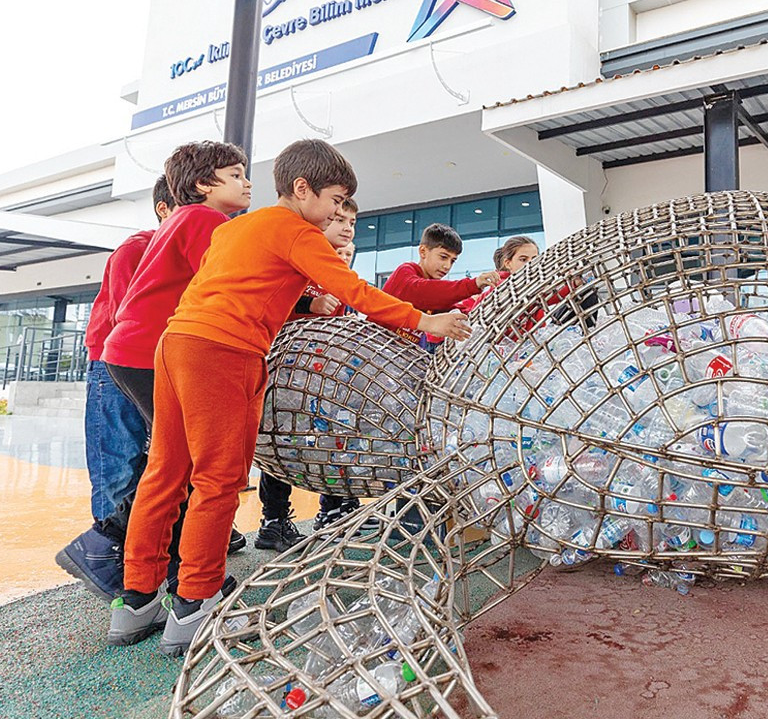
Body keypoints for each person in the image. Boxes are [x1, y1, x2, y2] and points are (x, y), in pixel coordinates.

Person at [107, 139, 470, 657]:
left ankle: (136, 598)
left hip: (175, 342)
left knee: (165, 471)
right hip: (223, 352)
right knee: (218, 479)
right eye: (336, 200)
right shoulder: (297, 230)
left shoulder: (236, 228)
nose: (338, 213)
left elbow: (240, 286)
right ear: (303, 190)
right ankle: (195, 601)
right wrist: (423, 319)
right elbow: (353, 290)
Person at [56, 141, 252, 603]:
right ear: (198, 188)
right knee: (152, 464)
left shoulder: (178, 228)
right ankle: (110, 548)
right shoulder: (194, 224)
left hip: (140, 352)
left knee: (166, 463)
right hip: (138, 354)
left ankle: (154, 571)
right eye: (237, 175)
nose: (247, 183)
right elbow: (228, 279)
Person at [255, 198, 359, 552]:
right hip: (283, 368)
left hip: (319, 375)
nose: (346, 227)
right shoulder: (297, 255)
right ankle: (273, 518)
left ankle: (331, 509)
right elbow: (268, 296)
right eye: (339, 218)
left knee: (329, 439)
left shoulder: (335, 272)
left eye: (352, 222)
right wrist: (306, 305)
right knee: (277, 441)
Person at [81, 176, 172, 522]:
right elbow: (128, 320)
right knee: (117, 465)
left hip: (160, 365)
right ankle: (108, 553)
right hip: (114, 367)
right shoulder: (135, 250)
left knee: (158, 466)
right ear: (163, 210)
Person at [380, 223, 501, 352]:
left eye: (452, 261)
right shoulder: (405, 273)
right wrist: (473, 284)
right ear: (423, 251)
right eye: (443, 257)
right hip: (374, 350)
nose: (447, 266)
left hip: (399, 359)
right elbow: (425, 292)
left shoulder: (436, 294)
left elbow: (450, 309)